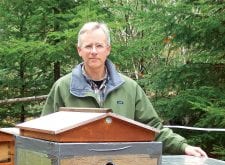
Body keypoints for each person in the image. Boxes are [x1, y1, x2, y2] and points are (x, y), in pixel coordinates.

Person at [42, 21, 207, 157]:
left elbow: (152, 127)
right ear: (79, 50)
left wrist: (183, 147)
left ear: (108, 49)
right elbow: (43, 134)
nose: (93, 52)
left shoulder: (129, 88)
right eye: (88, 46)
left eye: (99, 46)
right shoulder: (63, 87)